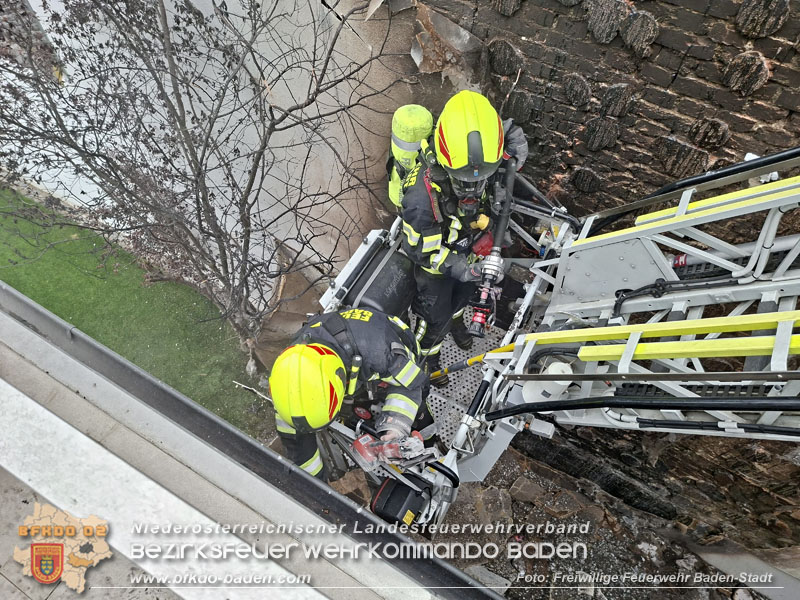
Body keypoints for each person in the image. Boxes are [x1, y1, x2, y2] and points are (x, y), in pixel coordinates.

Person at [398, 90, 528, 384]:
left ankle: (458, 325)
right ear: (444, 163)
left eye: (480, 179)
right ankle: (426, 358)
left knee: (463, 298)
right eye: (464, 181)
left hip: (468, 250)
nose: (472, 188)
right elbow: (423, 253)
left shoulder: (485, 151)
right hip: (437, 269)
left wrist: (516, 152)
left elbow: (510, 132)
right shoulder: (421, 199)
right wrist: (467, 269)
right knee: (435, 318)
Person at [268, 307, 430, 480]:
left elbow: (412, 385)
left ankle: (431, 445)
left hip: (395, 359)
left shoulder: (381, 353)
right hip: (357, 364)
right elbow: (296, 443)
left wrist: (395, 429)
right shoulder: (289, 373)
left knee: (420, 414)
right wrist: (315, 487)